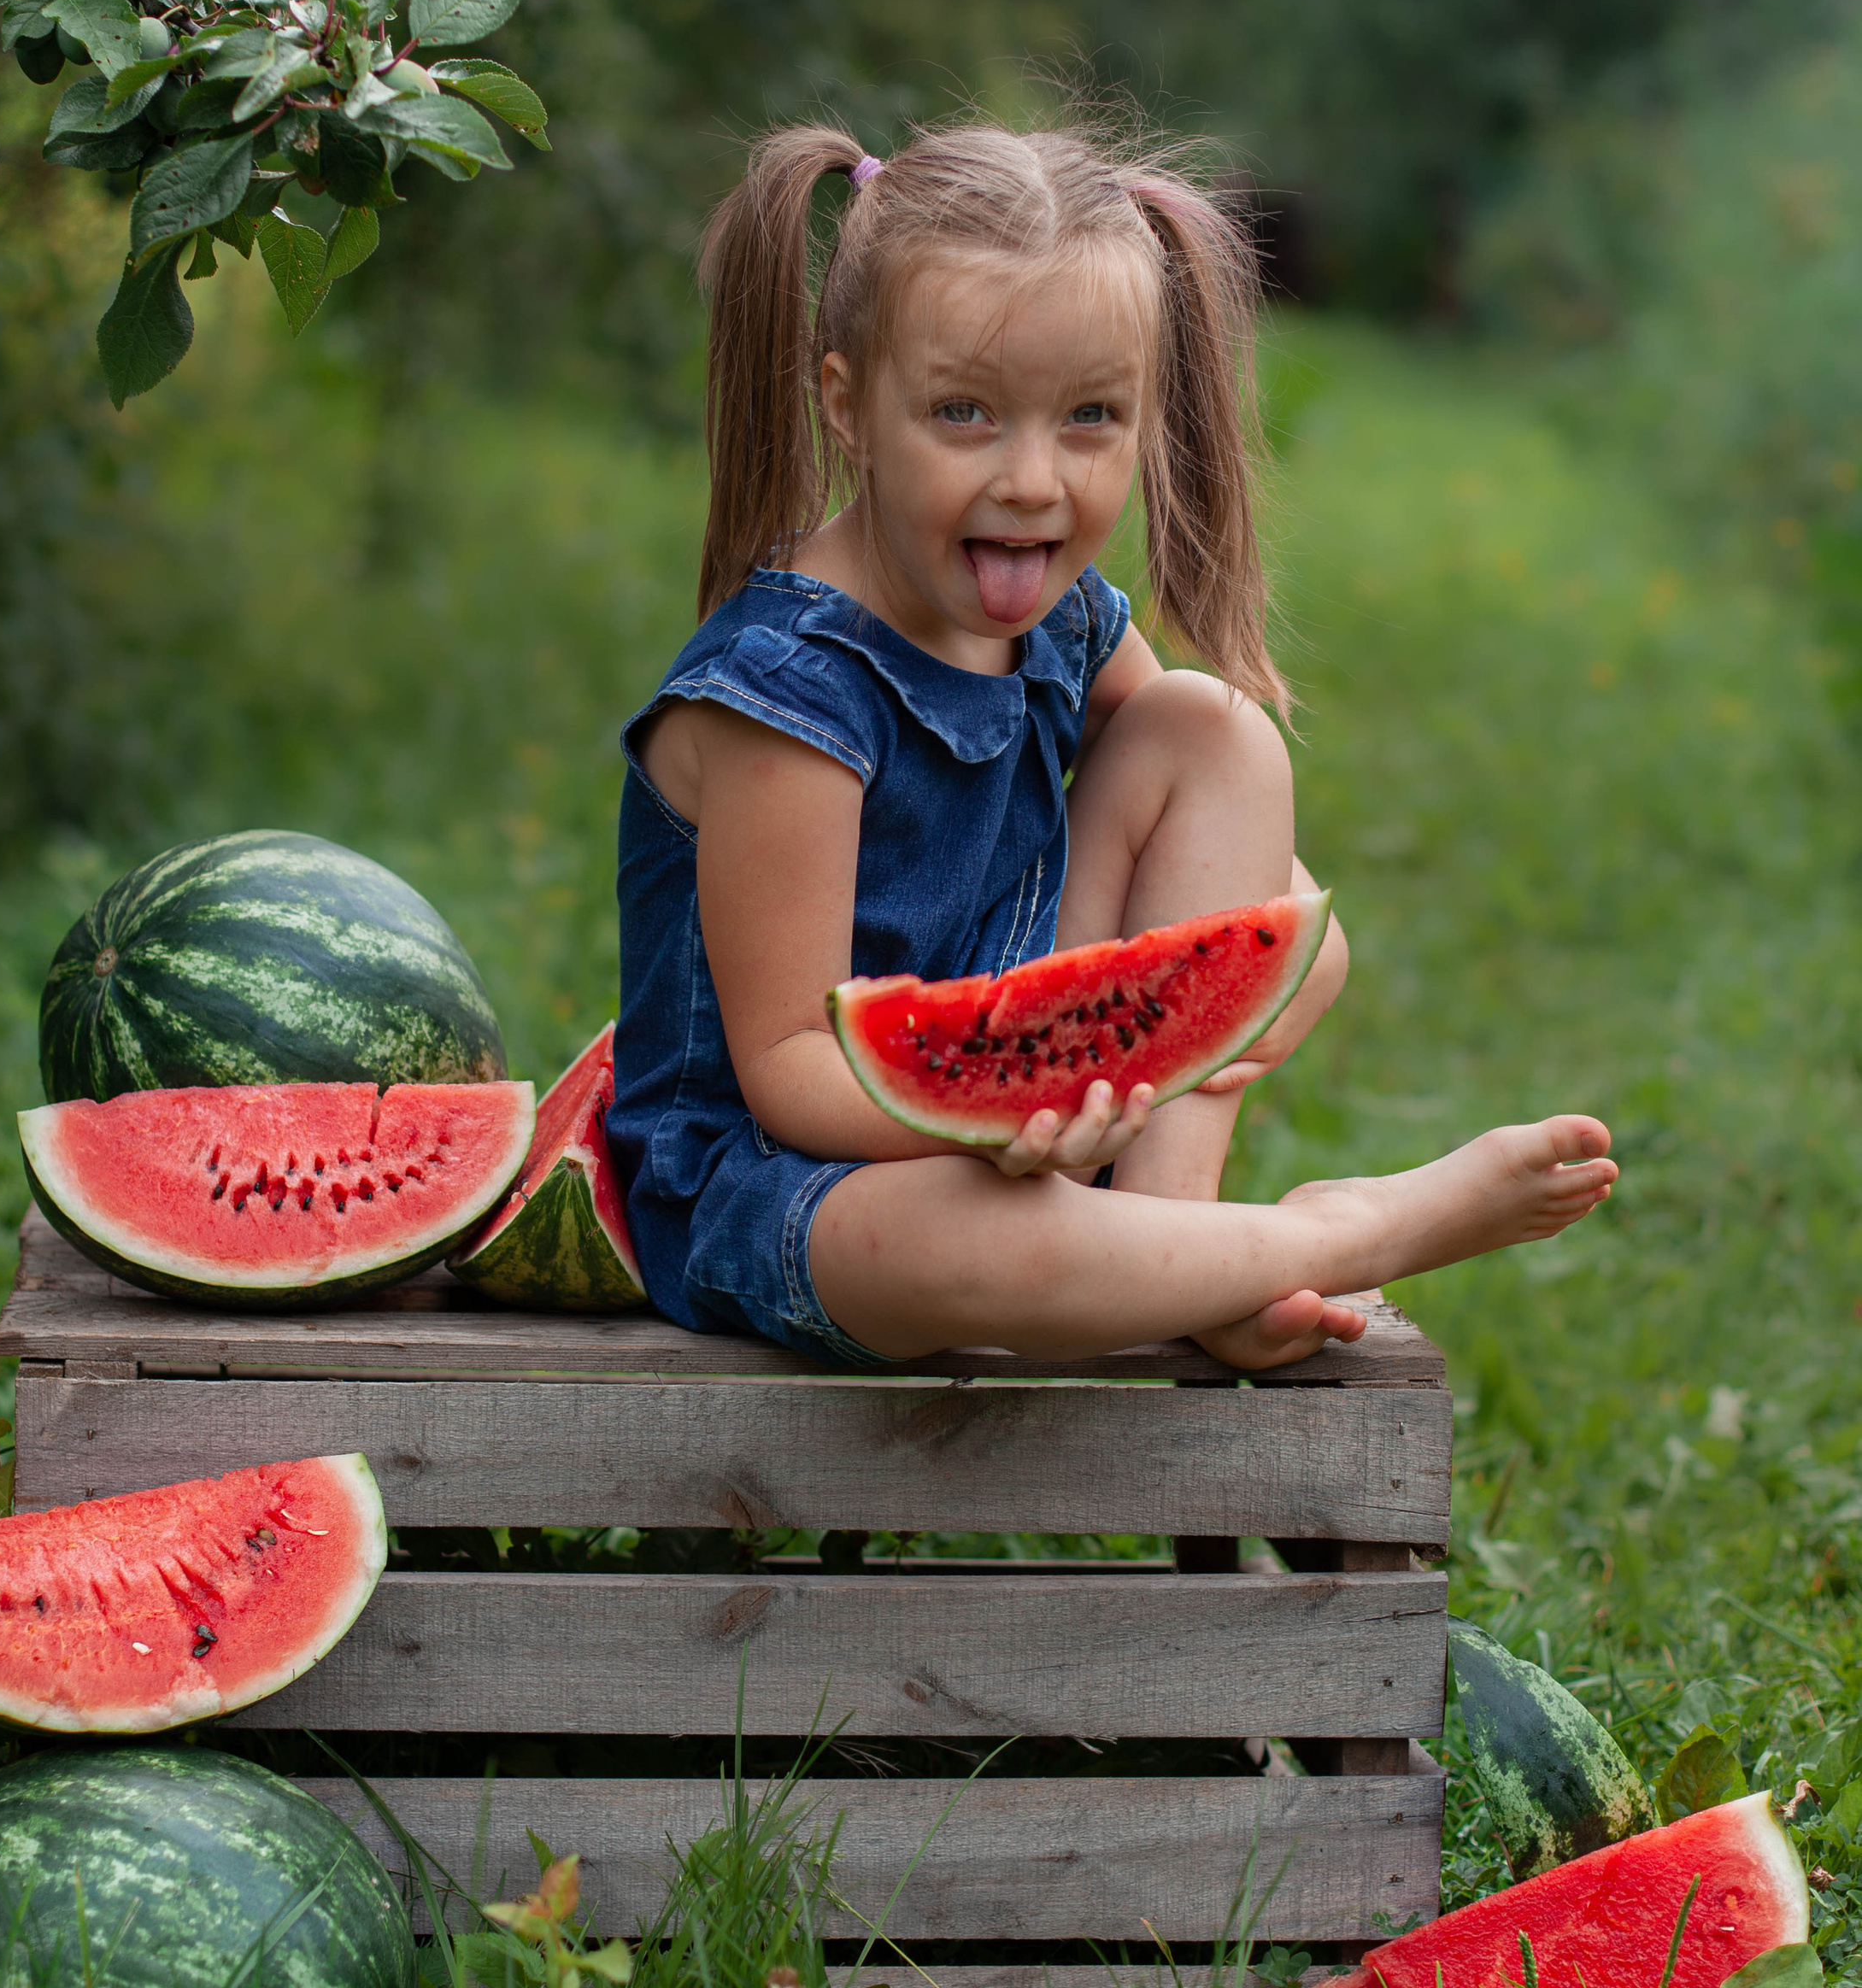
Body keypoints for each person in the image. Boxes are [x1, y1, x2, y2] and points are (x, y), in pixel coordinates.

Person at [608, 119, 1617, 1371]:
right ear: (847, 404)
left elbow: (1211, 817)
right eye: (964, 414)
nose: (1035, 480)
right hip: (781, 1184)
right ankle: (1339, 1233)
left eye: (1090, 418)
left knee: (1219, 735)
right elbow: (791, 1072)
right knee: (955, 1242)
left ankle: (1163, 1238)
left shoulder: (1065, 617)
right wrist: (985, 1122)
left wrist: (1229, 967)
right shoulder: (788, 698)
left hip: (1029, 1091)